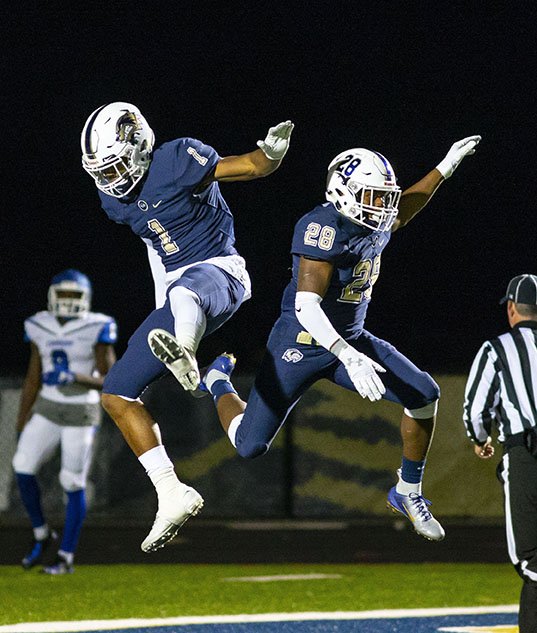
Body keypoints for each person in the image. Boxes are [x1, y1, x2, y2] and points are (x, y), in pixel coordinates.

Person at [184, 135, 481, 542]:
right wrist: (350, 356)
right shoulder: (322, 227)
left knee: (424, 394)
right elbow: (307, 306)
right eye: (373, 197)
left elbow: (408, 204)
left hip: (350, 338)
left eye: (383, 197)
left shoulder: (374, 221)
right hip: (300, 344)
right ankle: (218, 381)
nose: (383, 206)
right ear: (342, 192)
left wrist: (445, 165)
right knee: (250, 445)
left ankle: (407, 490)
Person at [80, 102, 294, 552]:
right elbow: (155, 246)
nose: (112, 179)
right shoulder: (111, 201)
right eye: (102, 171)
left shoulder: (177, 158)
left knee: (185, 294)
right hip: (178, 294)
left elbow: (252, 167)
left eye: (117, 165)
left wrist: (270, 153)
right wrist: (162, 302)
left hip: (222, 273)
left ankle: (187, 354)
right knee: (116, 394)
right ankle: (170, 491)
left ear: (140, 146)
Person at [12, 269, 117, 574]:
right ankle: (43, 534)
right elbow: (33, 376)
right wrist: (21, 421)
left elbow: (110, 379)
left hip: (80, 412)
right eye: (64, 295)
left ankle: (66, 556)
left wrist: (76, 377)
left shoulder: (97, 325)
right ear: (52, 296)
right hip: (47, 407)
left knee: (72, 481)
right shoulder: (38, 324)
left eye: (75, 295)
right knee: (22, 467)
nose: (69, 301)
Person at [463, 274, 537, 633]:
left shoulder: (498, 349)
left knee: (532, 562)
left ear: (511, 308)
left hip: (528, 455)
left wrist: (480, 439)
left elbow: (476, 410)